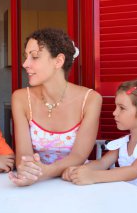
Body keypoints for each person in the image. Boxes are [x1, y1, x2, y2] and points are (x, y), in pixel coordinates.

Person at [62, 77, 137, 213]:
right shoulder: (124, 143)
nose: (114, 113)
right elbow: (102, 163)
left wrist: (92, 176)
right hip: (131, 205)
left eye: (122, 108)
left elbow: (133, 171)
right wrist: (77, 170)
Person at [8, 28, 102, 186]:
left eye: (35, 57)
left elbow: (78, 156)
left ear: (58, 61)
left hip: (74, 183)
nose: (25, 64)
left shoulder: (91, 99)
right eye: (26, 57)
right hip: (36, 185)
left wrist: (42, 173)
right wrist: (26, 171)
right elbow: (24, 155)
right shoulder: (20, 98)